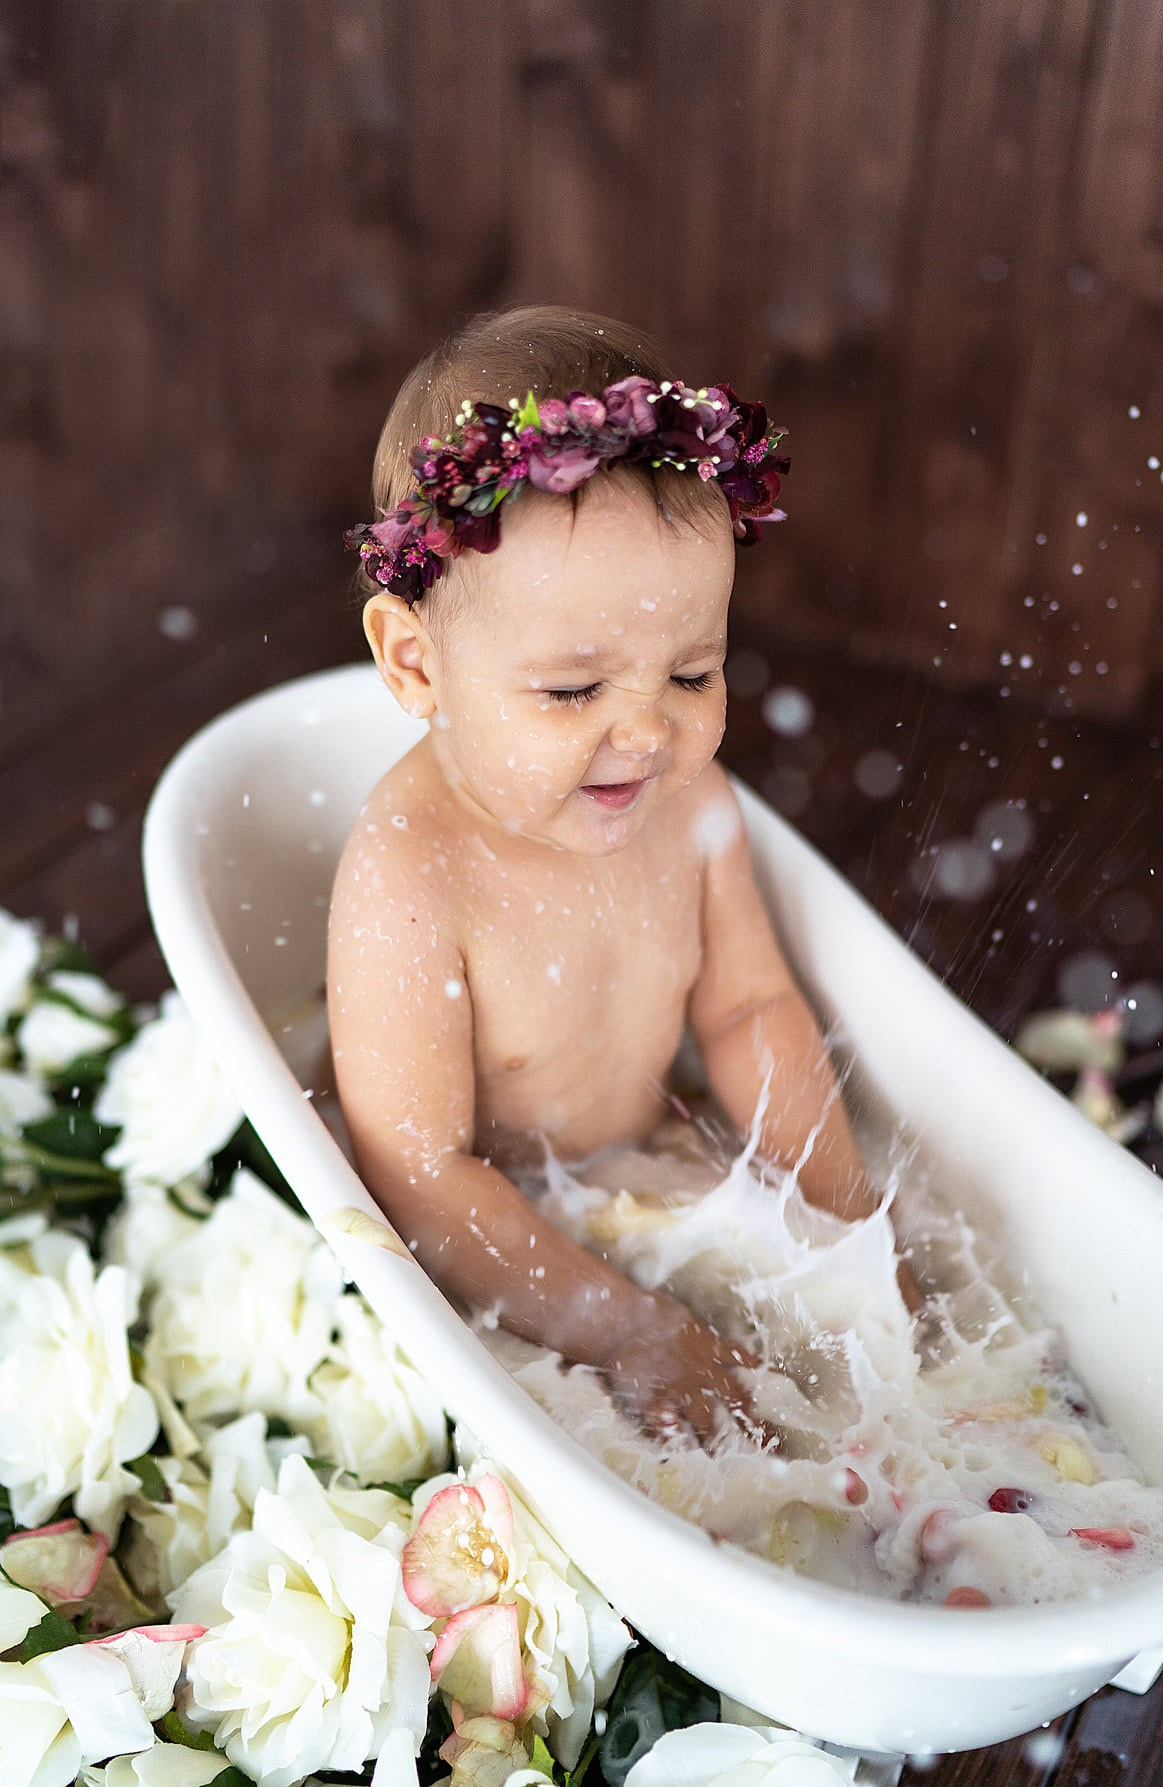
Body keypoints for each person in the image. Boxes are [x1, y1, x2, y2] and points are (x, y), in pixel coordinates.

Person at [329, 304, 881, 1447]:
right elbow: (415, 1170)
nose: (643, 735)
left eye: (691, 673)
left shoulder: (692, 803)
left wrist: (851, 1230)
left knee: (841, 1399)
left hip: (651, 1169)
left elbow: (746, 1010)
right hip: (499, 1249)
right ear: (415, 663)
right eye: (572, 691)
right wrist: (626, 1328)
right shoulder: (412, 871)